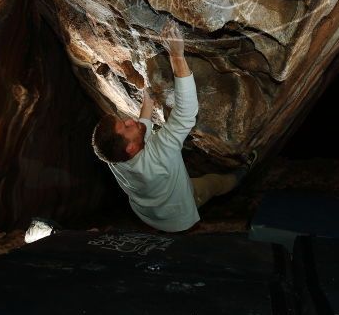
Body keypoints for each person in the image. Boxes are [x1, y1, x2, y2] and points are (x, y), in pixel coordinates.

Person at [91, 20, 257, 232]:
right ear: (131, 149)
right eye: (126, 126)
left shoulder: (113, 155)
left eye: (124, 121)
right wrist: (176, 56)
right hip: (178, 214)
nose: (131, 120)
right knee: (213, 184)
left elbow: (140, 130)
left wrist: (148, 100)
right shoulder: (159, 155)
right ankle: (244, 174)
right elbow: (185, 113)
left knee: (199, 181)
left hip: (148, 213)